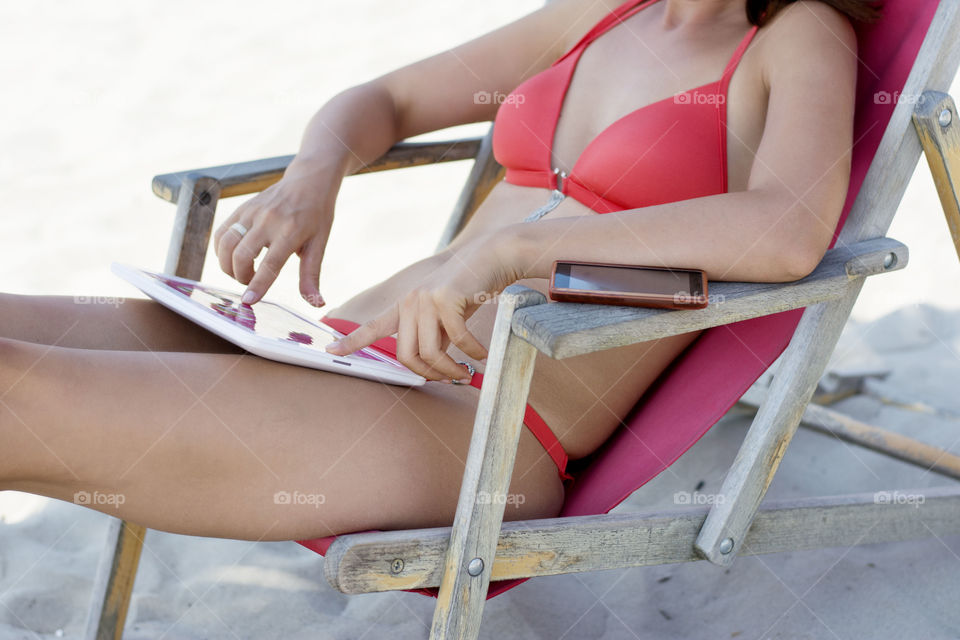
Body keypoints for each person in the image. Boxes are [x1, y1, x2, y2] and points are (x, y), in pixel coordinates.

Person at [0, 0, 875, 543]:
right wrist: (316, 175)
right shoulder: (610, 12)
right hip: (332, 347)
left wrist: (517, 251)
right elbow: (386, 100)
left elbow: (787, 230)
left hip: (483, 419)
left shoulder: (797, 35)